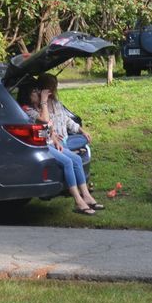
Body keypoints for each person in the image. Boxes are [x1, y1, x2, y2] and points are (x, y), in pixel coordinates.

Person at [21, 85, 100, 215]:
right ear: (28, 96)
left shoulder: (40, 108)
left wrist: (55, 138)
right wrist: (44, 101)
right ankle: (78, 201)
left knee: (76, 159)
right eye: (34, 91)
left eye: (38, 90)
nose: (39, 93)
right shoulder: (27, 110)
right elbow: (45, 121)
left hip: (51, 142)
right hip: (41, 146)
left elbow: (49, 128)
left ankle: (86, 196)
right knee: (67, 162)